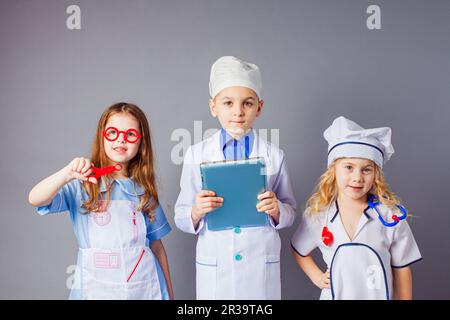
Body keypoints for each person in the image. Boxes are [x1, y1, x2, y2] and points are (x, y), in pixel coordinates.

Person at [174, 56, 297, 299]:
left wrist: (276, 209)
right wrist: (196, 211)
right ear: (213, 107)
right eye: (228, 103)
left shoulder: (274, 155)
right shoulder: (196, 154)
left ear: (259, 107)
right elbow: (180, 215)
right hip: (216, 264)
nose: (238, 112)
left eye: (247, 104)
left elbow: (291, 212)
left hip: (259, 263)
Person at [28, 102, 173, 300]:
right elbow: (35, 198)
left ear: (141, 143)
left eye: (130, 134)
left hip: (143, 288)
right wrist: (67, 174)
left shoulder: (143, 192)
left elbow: (157, 246)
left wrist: (170, 294)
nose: (121, 140)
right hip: (95, 287)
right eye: (113, 132)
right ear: (102, 136)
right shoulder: (83, 186)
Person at [291, 116, 422, 300]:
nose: (357, 177)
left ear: (375, 175)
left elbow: (402, 269)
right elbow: (299, 250)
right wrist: (317, 277)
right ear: (333, 170)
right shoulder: (319, 215)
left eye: (366, 170)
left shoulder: (390, 216)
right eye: (349, 167)